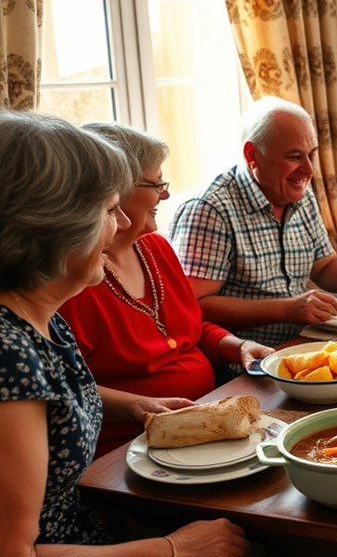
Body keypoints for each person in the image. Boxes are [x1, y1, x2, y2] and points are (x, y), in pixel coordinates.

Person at [0, 112, 247, 555]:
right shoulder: (9, 355)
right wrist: (176, 548)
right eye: (110, 211)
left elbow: (60, 400)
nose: (119, 228)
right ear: (56, 224)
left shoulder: (40, 317)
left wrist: (136, 405)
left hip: (95, 521)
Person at [59, 123, 274, 458]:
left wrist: (239, 346)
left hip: (207, 416)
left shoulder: (155, 248)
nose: (167, 194)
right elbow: (66, 388)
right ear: (115, 188)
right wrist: (137, 406)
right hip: (132, 443)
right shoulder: (75, 280)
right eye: (156, 183)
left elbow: (190, 327)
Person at [170, 96, 337, 348]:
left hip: (308, 340)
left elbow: (324, 264)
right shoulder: (210, 209)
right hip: (250, 358)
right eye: (295, 156)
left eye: (312, 155)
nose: (309, 170)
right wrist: (286, 309)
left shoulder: (300, 193)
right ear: (252, 155)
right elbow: (196, 306)